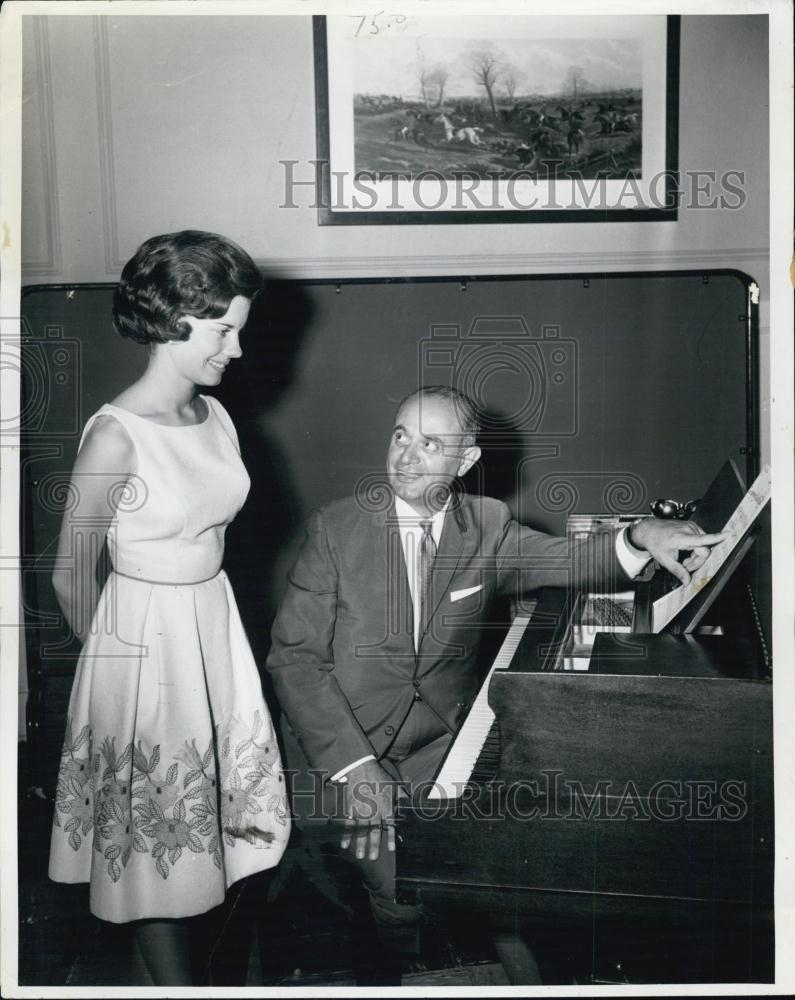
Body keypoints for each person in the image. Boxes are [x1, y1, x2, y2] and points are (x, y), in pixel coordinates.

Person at [265, 384, 725, 978]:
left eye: (431, 444)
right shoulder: (335, 530)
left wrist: (639, 537)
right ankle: (404, 971)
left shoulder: (485, 524)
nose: (405, 457)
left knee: (508, 847)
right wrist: (357, 773)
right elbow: (294, 662)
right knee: (404, 881)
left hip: (435, 748)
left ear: (466, 462)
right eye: (401, 436)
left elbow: (566, 560)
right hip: (340, 754)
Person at [48, 231, 290, 985]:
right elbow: (67, 576)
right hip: (146, 645)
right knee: (154, 838)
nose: (238, 350)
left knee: (212, 828)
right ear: (173, 320)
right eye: (225, 331)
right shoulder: (116, 437)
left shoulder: (214, 416)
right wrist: (124, 678)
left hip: (212, 628)